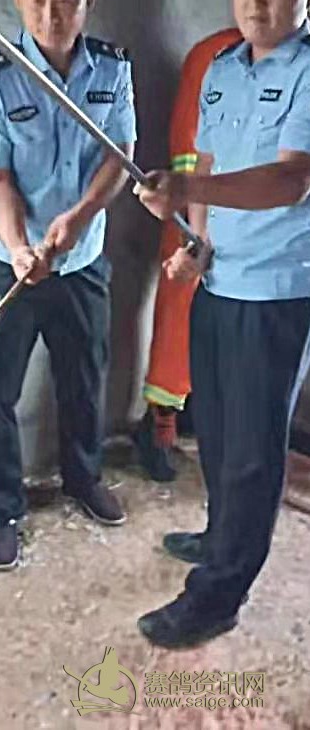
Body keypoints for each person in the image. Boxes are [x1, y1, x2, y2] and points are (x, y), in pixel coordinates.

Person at [136, 0, 310, 647]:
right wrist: (195, 243)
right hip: (221, 281)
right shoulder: (221, 68)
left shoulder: (307, 72)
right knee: (214, 426)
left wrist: (187, 194)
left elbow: (290, 180)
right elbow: (204, 165)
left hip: (277, 293)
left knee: (252, 450)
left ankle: (217, 597)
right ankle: (219, 537)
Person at [0, 0, 137, 570]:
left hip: (82, 261)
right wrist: (19, 247)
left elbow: (120, 155)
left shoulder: (113, 70)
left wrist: (81, 219)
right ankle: (2, 510)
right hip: (8, 263)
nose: (51, 15)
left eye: (65, 0)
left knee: (84, 379)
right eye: (36, 0)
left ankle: (83, 479)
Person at [134, 27, 242, 483]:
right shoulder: (213, 54)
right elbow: (188, 149)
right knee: (180, 313)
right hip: (204, 209)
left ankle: (202, 408)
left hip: (265, 220)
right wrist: (198, 229)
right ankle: (160, 419)